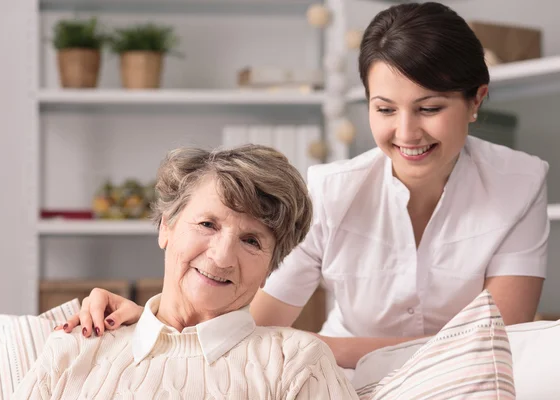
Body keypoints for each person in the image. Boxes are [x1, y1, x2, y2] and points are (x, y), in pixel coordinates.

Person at [62, 1, 549, 371]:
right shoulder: (332, 190)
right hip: (345, 382)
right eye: (384, 109)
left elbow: (499, 345)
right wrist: (154, 320)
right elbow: (253, 326)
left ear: (476, 99)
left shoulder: (520, 184)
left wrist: (323, 345)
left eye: (429, 108)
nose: (406, 133)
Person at [12, 146, 357, 399]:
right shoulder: (74, 348)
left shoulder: (297, 363)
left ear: (271, 266)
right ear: (166, 227)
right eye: (208, 224)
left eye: (251, 241)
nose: (222, 257)